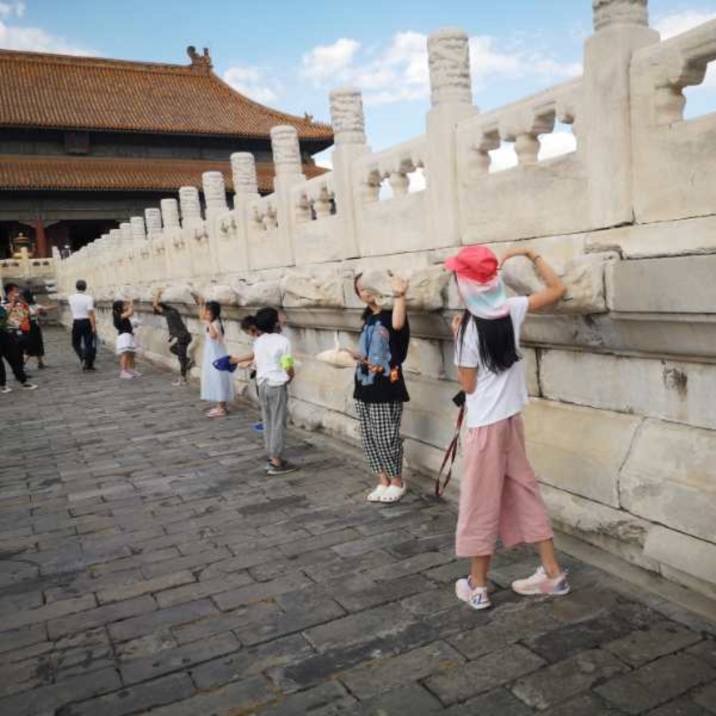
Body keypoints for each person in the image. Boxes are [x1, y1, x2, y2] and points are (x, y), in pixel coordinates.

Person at [446, 244, 569, 611]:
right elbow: (557, 290)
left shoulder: (468, 328)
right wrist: (532, 255)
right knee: (524, 490)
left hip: (485, 426)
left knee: (480, 502)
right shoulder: (511, 310)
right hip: (511, 420)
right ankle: (552, 572)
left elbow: (467, 385)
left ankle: (478, 585)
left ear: (465, 284)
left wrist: (456, 338)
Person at [341, 271, 410, 504]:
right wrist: (347, 354)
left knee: (385, 436)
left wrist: (400, 293)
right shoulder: (368, 319)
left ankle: (397, 481)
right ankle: (383, 480)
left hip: (386, 386)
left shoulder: (391, 314)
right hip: (363, 384)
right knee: (369, 436)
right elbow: (367, 353)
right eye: (360, 288)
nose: (365, 291)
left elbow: (398, 325)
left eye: (368, 286)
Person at [234, 307, 296, 475]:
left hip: (262, 384)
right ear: (275, 322)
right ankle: (276, 461)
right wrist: (290, 376)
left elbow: (258, 361)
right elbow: (287, 365)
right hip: (276, 384)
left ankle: (271, 454)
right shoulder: (283, 341)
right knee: (277, 422)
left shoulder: (259, 341)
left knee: (268, 420)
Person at [198, 297, 235, 417]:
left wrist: (208, 322)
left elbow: (213, 335)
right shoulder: (213, 322)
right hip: (213, 354)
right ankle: (221, 406)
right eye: (206, 312)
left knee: (218, 379)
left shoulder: (215, 323)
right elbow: (201, 317)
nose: (206, 315)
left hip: (216, 356)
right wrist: (201, 305)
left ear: (215, 313)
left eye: (209, 313)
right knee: (216, 379)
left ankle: (221, 408)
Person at [152, 288, 194, 386]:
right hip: (184, 336)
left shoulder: (169, 313)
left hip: (182, 337)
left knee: (181, 358)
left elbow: (155, 304)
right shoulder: (172, 311)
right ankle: (187, 361)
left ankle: (183, 379)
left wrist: (158, 292)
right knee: (173, 349)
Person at [0, 286, 36, 392]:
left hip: (7, 336)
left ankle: (24, 382)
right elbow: (5, 320)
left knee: (15, 360)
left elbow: (12, 323)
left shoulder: (3, 307)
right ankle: (3, 385)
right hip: (5, 335)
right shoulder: (4, 306)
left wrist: (19, 305)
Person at [21, 288, 56, 370]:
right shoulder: (23, 305)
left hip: (35, 327)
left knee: (38, 345)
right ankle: (21, 364)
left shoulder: (34, 304)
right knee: (30, 346)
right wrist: (34, 313)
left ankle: (40, 363)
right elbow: (23, 316)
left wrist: (52, 307)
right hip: (29, 327)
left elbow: (43, 308)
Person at [68, 280, 97, 371]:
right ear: (85, 287)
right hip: (87, 322)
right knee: (88, 343)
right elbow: (90, 313)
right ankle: (88, 362)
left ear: (76, 287)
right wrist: (93, 326)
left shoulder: (70, 298)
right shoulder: (89, 298)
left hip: (76, 322)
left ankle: (83, 359)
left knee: (75, 343)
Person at [112, 299, 140, 379]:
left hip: (128, 335)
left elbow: (131, 312)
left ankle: (129, 369)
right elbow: (130, 312)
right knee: (125, 354)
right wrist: (131, 303)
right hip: (124, 336)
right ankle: (123, 371)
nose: (125, 306)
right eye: (123, 305)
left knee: (131, 354)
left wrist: (130, 305)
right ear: (119, 308)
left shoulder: (121, 314)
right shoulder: (118, 315)